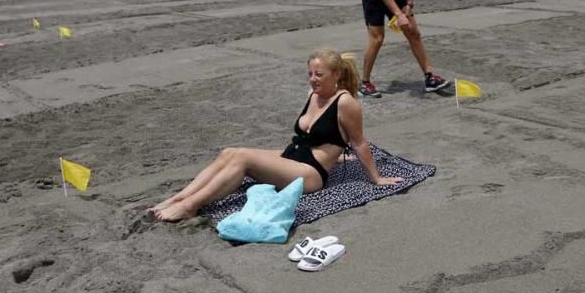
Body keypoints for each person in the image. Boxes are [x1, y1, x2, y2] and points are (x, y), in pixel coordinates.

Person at [149, 48, 402, 222]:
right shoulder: (312, 95)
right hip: (294, 157)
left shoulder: (346, 103)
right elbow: (317, 138)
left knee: (244, 160)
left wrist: (376, 179)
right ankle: (180, 196)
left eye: (319, 74)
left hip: (311, 173)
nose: (313, 79)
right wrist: (336, 158)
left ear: (337, 75)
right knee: (230, 152)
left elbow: (358, 142)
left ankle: (189, 207)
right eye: (310, 73)